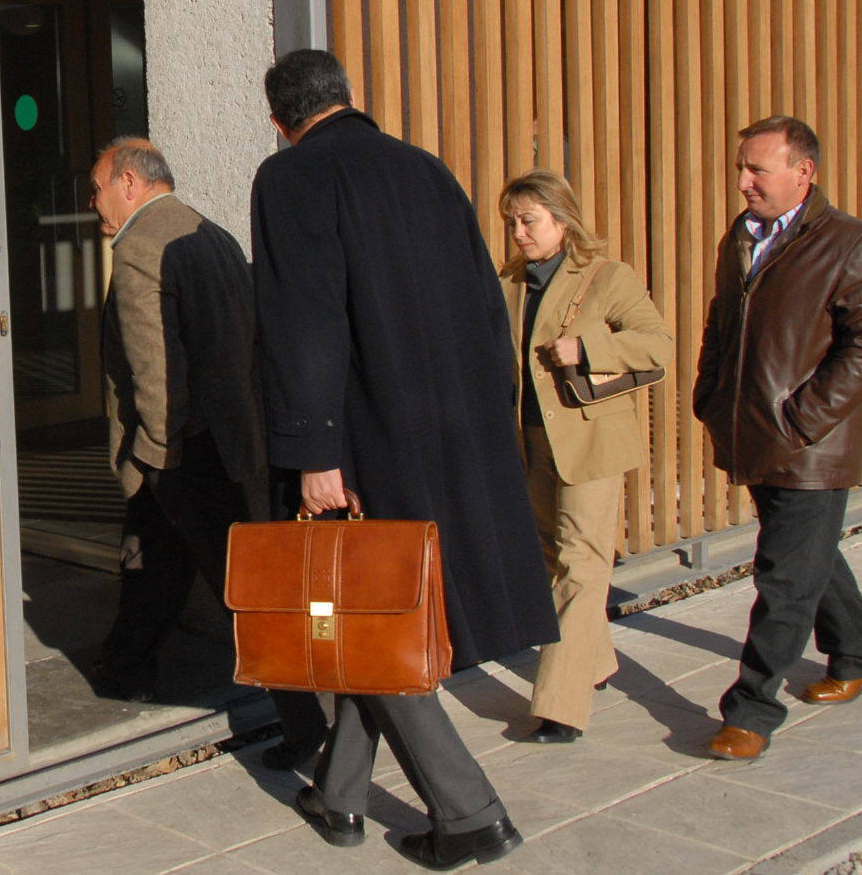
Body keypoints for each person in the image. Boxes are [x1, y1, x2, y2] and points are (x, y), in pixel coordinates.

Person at [252, 50, 557, 871]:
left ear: (281, 122)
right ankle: (340, 793)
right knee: (376, 603)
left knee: (373, 611)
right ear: (352, 99)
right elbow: (488, 307)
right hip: (457, 429)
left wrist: (313, 453)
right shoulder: (427, 170)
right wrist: (495, 418)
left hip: (365, 437)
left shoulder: (290, 179)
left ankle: (468, 813)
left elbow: (304, 321)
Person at [89, 137, 327, 751]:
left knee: (241, 594)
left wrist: (155, 452)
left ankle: (308, 730)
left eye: (98, 189)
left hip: (183, 452)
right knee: (153, 560)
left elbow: (155, 368)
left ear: (130, 183)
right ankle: (125, 665)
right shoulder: (208, 231)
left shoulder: (141, 245)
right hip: (223, 441)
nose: (95, 205)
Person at [694, 116, 862, 762]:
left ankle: (751, 709)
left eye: (758, 168)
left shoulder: (853, 244)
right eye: (741, 168)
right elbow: (723, 323)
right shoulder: (742, 237)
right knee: (809, 559)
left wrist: (801, 419)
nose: (743, 181)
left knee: (783, 577)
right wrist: (711, 393)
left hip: (810, 446)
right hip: (753, 432)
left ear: (803, 171)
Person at [498, 170, 673, 743]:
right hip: (530, 443)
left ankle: (559, 706)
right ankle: (594, 663)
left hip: (592, 444)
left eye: (528, 221)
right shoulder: (508, 282)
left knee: (582, 561)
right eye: (512, 222)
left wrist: (589, 346)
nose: (518, 233)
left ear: (562, 220)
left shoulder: (607, 277)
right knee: (553, 559)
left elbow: (657, 346)